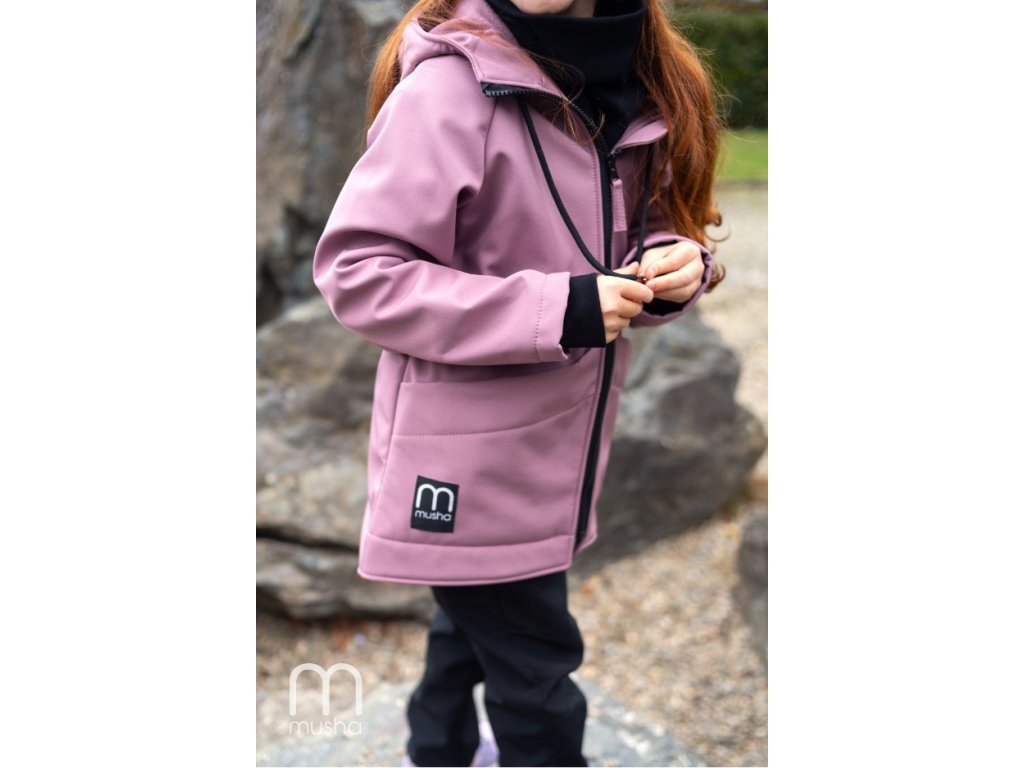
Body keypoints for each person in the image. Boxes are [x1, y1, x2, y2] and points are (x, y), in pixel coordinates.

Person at [311, 0, 725, 763]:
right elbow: (359, 273)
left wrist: (676, 264)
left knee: (470, 624)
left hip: (557, 451)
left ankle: (436, 750)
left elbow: (646, 225)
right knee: (536, 671)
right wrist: (558, 307)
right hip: (463, 459)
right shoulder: (448, 92)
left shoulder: (641, 77)